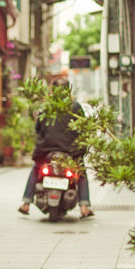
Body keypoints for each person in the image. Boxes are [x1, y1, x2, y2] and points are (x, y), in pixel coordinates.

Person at [18, 77, 93, 218]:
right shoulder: (75, 107)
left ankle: (26, 204)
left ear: (52, 91)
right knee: (81, 174)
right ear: (68, 90)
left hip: (46, 151)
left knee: (36, 170)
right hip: (71, 152)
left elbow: (38, 128)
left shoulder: (46, 107)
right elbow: (83, 128)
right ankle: (84, 206)